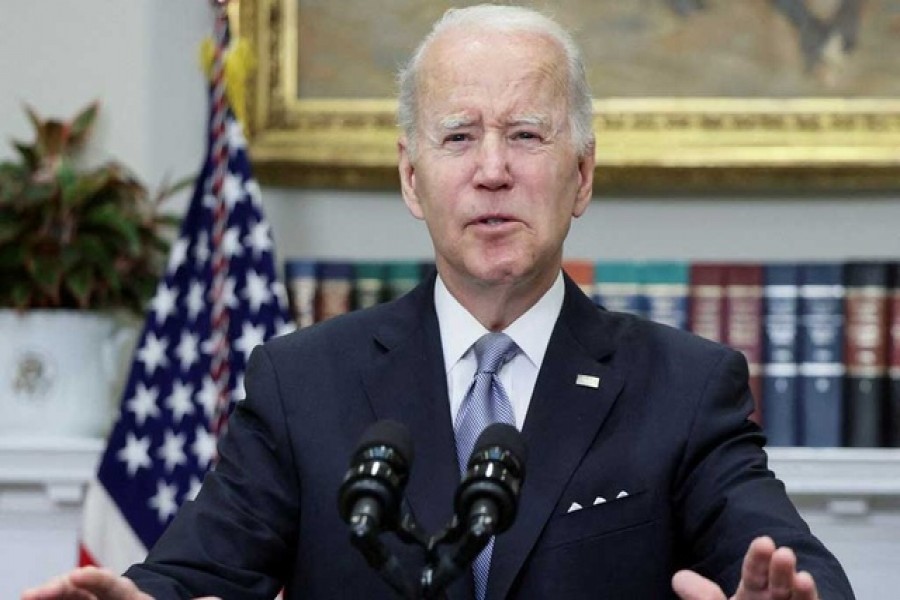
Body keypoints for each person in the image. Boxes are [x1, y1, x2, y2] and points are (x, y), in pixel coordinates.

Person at [23, 4, 854, 600]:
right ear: (413, 180)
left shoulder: (684, 385)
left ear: (584, 176)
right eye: (459, 136)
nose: (492, 169)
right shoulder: (300, 381)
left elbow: (799, 570)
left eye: (527, 134)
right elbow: (189, 576)